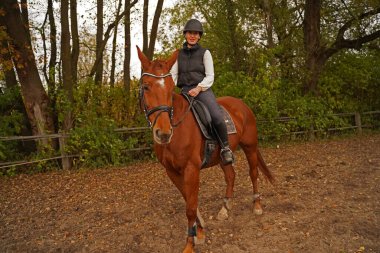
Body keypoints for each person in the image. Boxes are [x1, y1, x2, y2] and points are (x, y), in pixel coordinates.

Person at [170, 18, 234, 165]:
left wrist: (198, 88)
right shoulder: (177, 54)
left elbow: (210, 76)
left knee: (216, 116)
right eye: (190, 33)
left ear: (199, 36)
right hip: (185, 91)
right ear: (185, 34)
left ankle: (225, 148)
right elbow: (173, 76)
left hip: (202, 89)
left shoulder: (205, 53)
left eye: (196, 33)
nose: (193, 36)